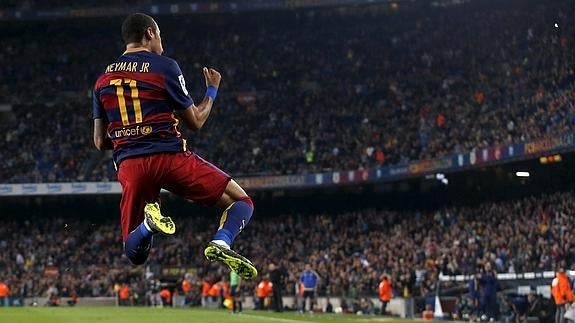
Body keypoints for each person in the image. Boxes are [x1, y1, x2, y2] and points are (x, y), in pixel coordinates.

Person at [92, 13, 257, 280]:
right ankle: (222, 242)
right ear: (149, 33)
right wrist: (212, 91)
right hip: (170, 157)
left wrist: (130, 134)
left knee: (135, 253)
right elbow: (195, 121)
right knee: (242, 201)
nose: (162, 42)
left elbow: (100, 142)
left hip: (131, 166)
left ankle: (148, 225)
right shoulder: (164, 67)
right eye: (160, 35)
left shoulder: (101, 81)